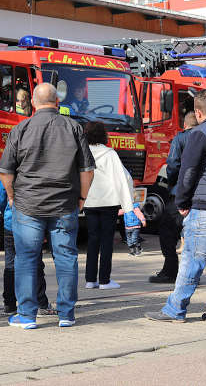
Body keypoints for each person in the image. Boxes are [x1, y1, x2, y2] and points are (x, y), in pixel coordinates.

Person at [0, 83, 95, 329]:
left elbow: (6, 171)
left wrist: (11, 196)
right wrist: (81, 199)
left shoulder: (20, 128)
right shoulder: (73, 127)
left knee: (26, 259)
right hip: (64, 204)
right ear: (57, 101)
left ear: (33, 102)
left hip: (28, 205)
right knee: (66, 257)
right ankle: (66, 313)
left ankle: (28, 316)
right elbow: (87, 170)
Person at [145, 89, 206, 324]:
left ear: (198, 112)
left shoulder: (200, 133)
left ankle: (175, 310)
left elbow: (188, 171)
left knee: (192, 259)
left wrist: (182, 200)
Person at [82, 121, 134, 290]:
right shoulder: (110, 154)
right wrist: (128, 206)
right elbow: (123, 178)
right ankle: (105, 280)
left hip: (89, 202)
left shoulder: (82, 153)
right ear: (103, 135)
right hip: (109, 203)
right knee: (106, 241)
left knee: (92, 240)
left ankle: (90, 279)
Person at [150, 111, 198, 284]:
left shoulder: (181, 138)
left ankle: (170, 271)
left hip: (180, 192)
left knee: (167, 231)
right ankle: (191, 274)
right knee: (193, 236)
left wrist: (172, 184)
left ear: (184, 125)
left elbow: (173, 164)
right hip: (201, 194)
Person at [0, 180, 56, 316]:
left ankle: (9, 304)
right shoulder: (35, 170)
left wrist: (7, 210)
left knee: (10, 264)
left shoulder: (9, 171)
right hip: (32, 223)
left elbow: (1, 198)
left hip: (11, 222)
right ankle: (41, 303)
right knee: (35, 263)